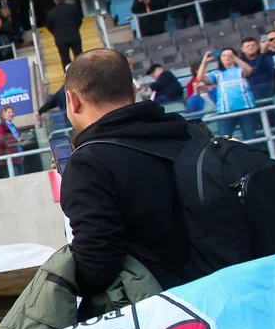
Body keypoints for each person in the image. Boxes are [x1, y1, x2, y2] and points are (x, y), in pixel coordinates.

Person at [58, 49, 203, 302]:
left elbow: (96, 264)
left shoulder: (88, 163)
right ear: (134, 92)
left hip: (165, 316)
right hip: (226, 293)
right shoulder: (193, 134)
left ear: (73, 100)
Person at [44, 0, 84, 68]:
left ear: (56, 1)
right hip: (74, 35)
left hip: (60, 38)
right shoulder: (72, 8)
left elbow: (49, 26)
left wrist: (56, 32)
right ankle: (82, 73)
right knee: (79, 56)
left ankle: (68, 76)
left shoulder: (51, 13)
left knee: (65, 59)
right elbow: (79, 20)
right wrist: (75, 28)